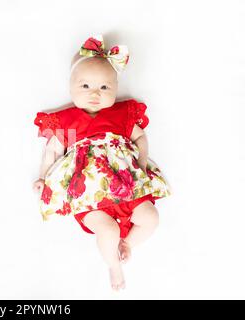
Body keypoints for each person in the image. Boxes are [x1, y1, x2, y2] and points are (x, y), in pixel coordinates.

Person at [32, 35, 171, 290]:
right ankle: (114, 267)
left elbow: (140, 136)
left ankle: (128, 243)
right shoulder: (69, 122)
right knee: (107, 231)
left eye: (105, 87)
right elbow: (52, 151)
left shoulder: (120, 115)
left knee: (151, 218)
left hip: (127, 186)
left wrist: (141, 160)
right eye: (85, 86)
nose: (95, 93)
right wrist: (42, 177)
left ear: (115, 89)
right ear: (71, 87)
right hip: (88, 194)